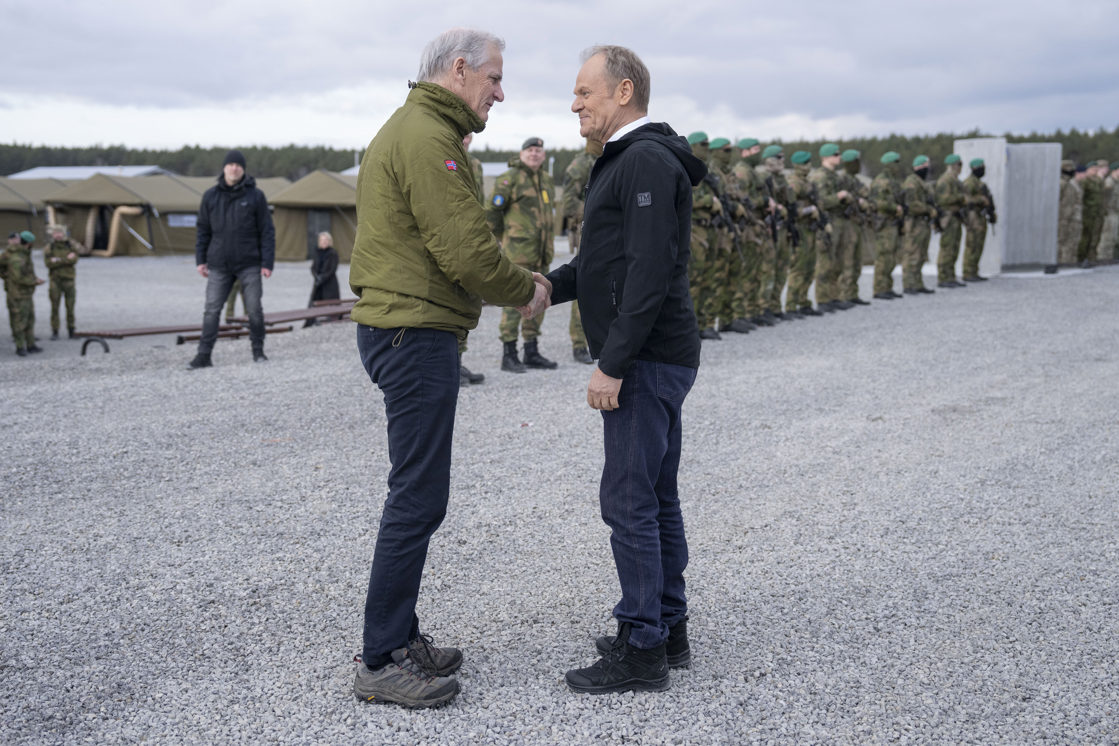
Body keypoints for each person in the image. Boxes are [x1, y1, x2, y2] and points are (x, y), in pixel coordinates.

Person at [348, 28, 547, 709]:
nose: (500, 90)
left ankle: (399, 637)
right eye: (493, 77)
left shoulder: (418, 128)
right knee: (417, 496)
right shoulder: (429, 139)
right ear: (457, 70)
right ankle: (379, 659)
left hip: (408, 327)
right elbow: (465, 250)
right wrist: (526, 289)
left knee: (417, 491)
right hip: (414, 331)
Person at [546, 44, 704, 695]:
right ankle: (667, 628)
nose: (574, 102)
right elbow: (600, 264)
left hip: (643, 361)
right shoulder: (623, 163)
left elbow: (647, 270)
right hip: (656, 355)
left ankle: (641, 646)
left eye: (584, 91)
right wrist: (541, 288)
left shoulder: (640, 159)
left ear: (622, 92)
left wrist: (612, 364)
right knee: (654, 495)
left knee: (629, 500)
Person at [188, 149, 275, 368]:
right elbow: (203, 230)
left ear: (243, 169)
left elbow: (267, 231)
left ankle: (258, 351)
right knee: (211, 309)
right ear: (224, 168)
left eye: (238, 165)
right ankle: (204, 355)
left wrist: (267, 262)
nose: (234, 168)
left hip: (249, 262)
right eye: (231, 165)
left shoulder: (256, 196)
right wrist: (200, 259)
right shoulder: (211, 196)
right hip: (219, 263)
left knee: (254, 308)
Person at [488, 136, 558, 372]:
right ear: (521, 154)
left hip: (542, 252)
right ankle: (509, 353)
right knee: (514, 301)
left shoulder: (546, 179)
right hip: (518, 253)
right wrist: (504, 237)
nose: (534, 154)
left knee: (540, 298)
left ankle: (531, 350)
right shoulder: (510, 179)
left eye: (538, 150)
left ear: (544, 155)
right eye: (530, 150)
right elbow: (493, 212)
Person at [560, 138, 600, 363]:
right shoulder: (581, 165)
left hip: (612, 234)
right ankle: (579, 343)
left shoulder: (613, 158)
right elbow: (568, 203)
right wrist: (599, 208)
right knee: (585, 286)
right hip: (590, 231)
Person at [458, 133, 487, 384]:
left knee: (468, 298)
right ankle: (450, 362)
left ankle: (458, 359)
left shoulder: (475, 165)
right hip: (453, 241)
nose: (466, 139)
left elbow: (480, 203)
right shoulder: (444, 157)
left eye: (469, 136)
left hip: (472, 241)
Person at [809, 143, 851, 312]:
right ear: (825, 157)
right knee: (825, 262)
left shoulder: (835, 176)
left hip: (838, 221)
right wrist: (838, 197)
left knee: (837, 261)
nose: (839, 157)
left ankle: (834, 296)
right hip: (826, 222)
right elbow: (821, 202)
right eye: (835, 154)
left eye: (839, 154)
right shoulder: (819, 177)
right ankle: (823, 299)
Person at [786, 150, 822, 315]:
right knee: (799, 267)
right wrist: (808, 210)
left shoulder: (808, 183)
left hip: (810, 229)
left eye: (809, 163)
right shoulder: (794, 183)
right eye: (805, 163)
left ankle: (803, 301)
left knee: (809, 267)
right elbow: (792, 210)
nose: (808, 166)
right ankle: (791, 304)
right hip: (800, 229)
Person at [1, 231, 45, 356]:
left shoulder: (23, 254)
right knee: (20, 320)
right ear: (29, 243)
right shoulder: (17, 257)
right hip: (18, 294)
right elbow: (18, 278)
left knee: (30, 319)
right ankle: (20, 346)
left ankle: (30, 344)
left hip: (26, 293)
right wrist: (34, 281)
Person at [900, 156, 935, 294]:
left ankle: (917, 283)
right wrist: (929, 209)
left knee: (920, 255)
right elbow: (911, 205)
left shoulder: (922, 182)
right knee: (911, 254)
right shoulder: (911, 182)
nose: (926, 168)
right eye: (924, 165)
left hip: (922, 223)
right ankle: (908, 284)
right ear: (917, 167)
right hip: (914, 223)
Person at [960, 158, 996, 282]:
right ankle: (967, 272)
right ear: (975, 168)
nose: (983, 169)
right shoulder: (969, 183)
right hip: (972, 217)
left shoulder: (980, 184)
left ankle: (973, 271)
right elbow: (964, 200)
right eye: (981, 167)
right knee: (972, 244)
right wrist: (980, 200)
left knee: (978, 244)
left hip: (980, 217)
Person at [935, 154, 967, 288]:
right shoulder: (945, 180)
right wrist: (960, 197)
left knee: (954, 248)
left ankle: (950, 275)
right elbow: (942, 200)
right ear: (954, 165)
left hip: (955, 218)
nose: (960, 168)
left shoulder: (955, 180)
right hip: (948, 218)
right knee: (947, 248)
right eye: (959, 165)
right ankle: (943, 277)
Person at [43, 224, 79, 339]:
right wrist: (65, 260)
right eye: (55, 233)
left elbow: (74, 260)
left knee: (70, 307)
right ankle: (55, 331)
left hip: (69, 280)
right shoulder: (50, 247)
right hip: (55, 281)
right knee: (55, 307)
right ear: (52, 235)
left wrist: (57, 260)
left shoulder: (70, 245)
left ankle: (71, 329)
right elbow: (48, 263)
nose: (58, 235)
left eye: (60, 233)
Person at [303, 231, 340, 327]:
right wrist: (316, 276)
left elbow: (332, 269)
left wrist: (322, 277)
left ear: (329, 241)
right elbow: (313, 267)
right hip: (318, 283)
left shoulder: (333, 253)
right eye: (322, 240)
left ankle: (331, 321)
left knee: (330, 304)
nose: (324, 242)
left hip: (330, 283)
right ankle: (311, 321)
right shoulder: (317, 252)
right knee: (313, 302)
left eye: (325, 240)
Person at [1077, 160, 1105, 266]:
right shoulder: (1085, 181)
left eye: (1096, 170)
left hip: (1095, 213)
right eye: (1093, 170)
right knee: (1085, 237)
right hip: (1087, 212)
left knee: (1093, 237)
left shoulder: (1097, 181)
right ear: (1087, 170)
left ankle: (1090, 258)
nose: (1095, 172)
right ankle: (1081, 258)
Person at [1057, 160, 1083, 265]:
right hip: (1063, 219)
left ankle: (1070, 263)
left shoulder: (1071, 183)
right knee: (1061, 243)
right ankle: (1062, 264)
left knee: (1072, 243)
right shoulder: (1061, 183)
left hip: (1072, 218)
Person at [1095, 161, 1119, 261]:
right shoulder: (1109, 182)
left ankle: (1108, 260)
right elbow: (1104, 200)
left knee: (1113, 240)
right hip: (1109, 215)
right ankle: (1103, 260)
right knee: (1106, 240)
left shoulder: (1116, 182)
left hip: (1115, 214)